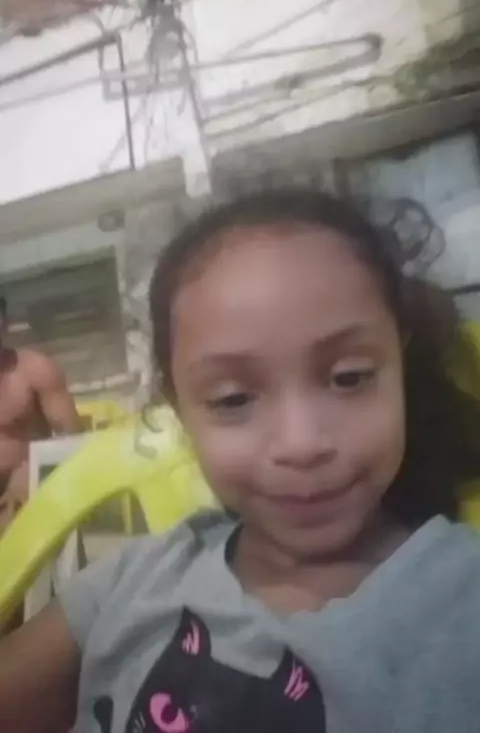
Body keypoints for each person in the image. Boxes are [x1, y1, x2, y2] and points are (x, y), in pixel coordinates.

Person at [2, 186, 480, 732]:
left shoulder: (462, 608)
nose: (301, 443)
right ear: (180, 411)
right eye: (233, 399)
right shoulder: (136, 579)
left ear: (400, 364)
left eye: (349, 377)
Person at [0, 296, 81, 532]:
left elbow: (74, 440)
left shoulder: (35, 370)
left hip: (29, 490)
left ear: (5, 324)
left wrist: (34, 468)